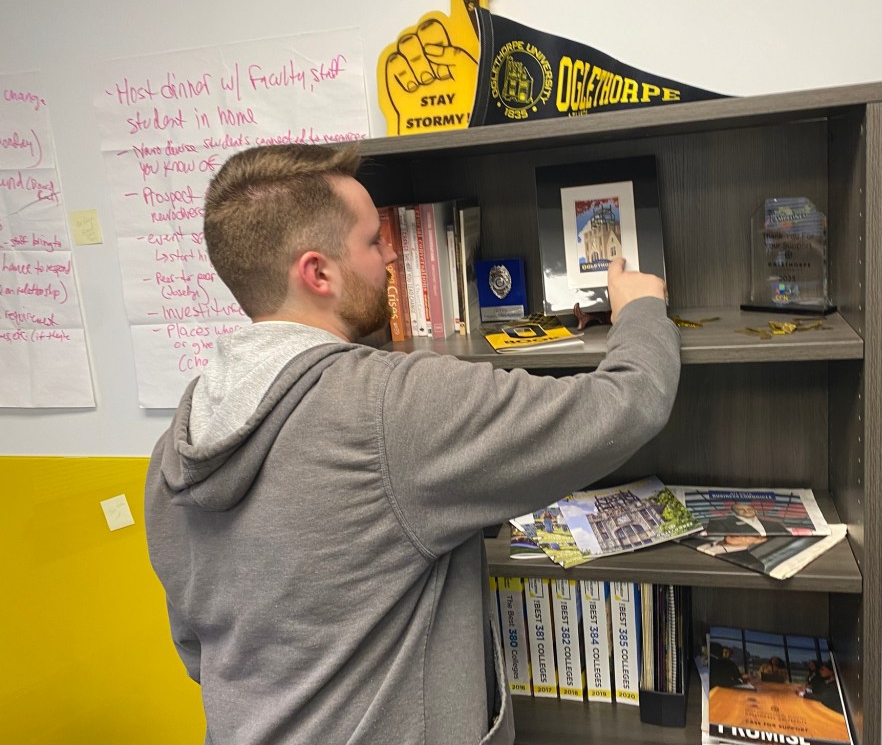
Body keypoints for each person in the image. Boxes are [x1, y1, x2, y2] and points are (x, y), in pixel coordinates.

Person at [144, 143, 681, 745]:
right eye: (374, 241)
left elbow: (197, 651)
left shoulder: (177, 446)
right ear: (317, 273)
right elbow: (627, 405)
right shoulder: (388, 407)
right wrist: (641, 312)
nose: (394, 254)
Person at [704, 501, 790, 536]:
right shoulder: (718, 523)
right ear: (734, 512)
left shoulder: (774, 524)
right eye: (741, 509)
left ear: (755, 510)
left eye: (749, 509)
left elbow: (788, 536)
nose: (746, 511)